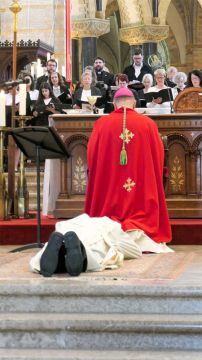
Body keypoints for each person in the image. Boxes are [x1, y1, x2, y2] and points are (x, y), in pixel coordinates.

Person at [30, 87, 172, 278]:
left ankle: (53, 254)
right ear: (134, 104)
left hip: (106, 211)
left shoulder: (102, 124)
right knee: (107, 243)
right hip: (142, 217)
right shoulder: (147, 124)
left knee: (86, 232)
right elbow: (158, 161)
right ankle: (69, 253)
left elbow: (92, 159)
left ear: (114, 104)